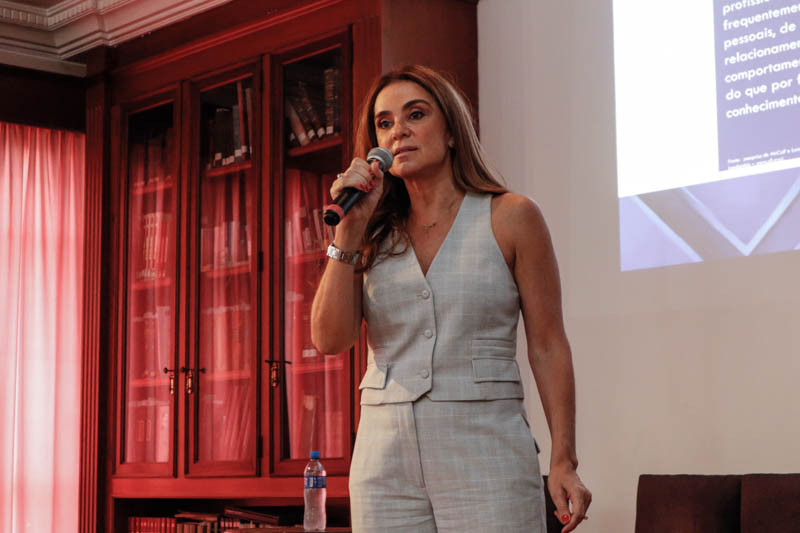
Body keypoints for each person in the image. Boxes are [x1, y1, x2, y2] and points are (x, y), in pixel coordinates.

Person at [311, 65, 591, 533]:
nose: (398, 131)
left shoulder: (511, 216)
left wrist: (564, 459)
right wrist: (348, 233)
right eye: (384, 122)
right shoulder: (370, 232)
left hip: (487, 449)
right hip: (383, 460)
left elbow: (547, 345)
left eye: (415, 114)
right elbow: (330, 340)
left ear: (452, 131)